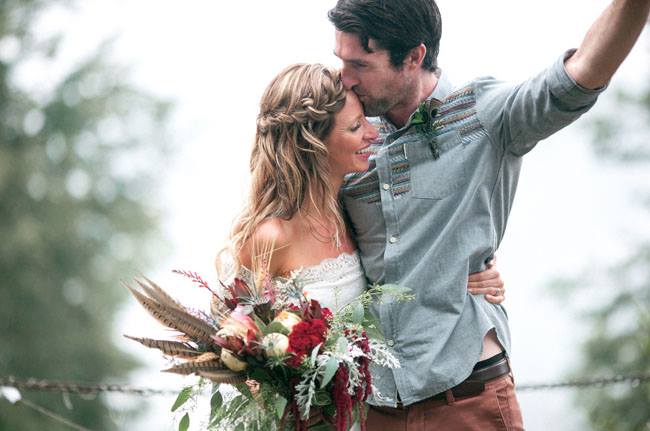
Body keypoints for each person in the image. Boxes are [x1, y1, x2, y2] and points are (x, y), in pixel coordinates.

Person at [327, 0, 650, 429]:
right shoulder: (345, 133)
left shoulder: (485, 115)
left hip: (466, 396)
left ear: (413, 57)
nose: (344, 80)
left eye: (360, 65)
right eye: (341, 62)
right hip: (373, 404)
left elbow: (581, 74)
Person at [219, 63, 507, 428]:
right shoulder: (270, 237)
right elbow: (235, 346)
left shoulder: (351, 212)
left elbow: (412, 259)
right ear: (313, 145)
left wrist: (476, 269)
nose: (374, 133)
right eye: (356, 127)